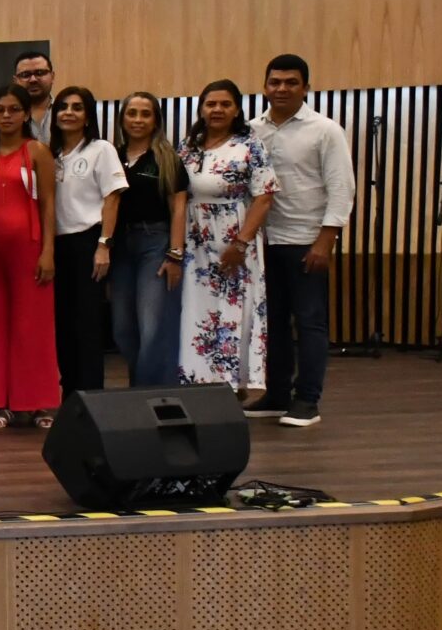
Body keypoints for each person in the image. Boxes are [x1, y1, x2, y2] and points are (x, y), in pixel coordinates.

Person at [247, 54, 354, 427]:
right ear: (264, 86)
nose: (281, 89)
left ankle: (307, 399)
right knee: (272, 322)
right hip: (263, 242)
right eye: (275, 82)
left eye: (291, 82)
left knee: (309, 321)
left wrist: (325, 240)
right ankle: (277, 394)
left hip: (306, 239)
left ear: (306, 87)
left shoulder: (325, 130)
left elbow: (342, 188)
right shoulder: (251, 130)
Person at [175, 79, 278, 393]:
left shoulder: (250, 145)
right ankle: (199, 380)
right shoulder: (187, 147)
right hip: (196, 239)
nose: (217, 109)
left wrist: (241, 242)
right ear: (201, 108)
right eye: (211, 104)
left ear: (236, 110)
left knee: (234, 309)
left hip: (235, 237)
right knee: (196, 308)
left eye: (225, 104)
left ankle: (234, 383)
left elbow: (264, 196)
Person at [0, 84, 60, 427]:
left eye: (13, 109)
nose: (6, 116)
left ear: (25, 114)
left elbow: (50, 205)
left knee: (32, 326)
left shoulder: (37, 151)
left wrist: (48, 251)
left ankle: (36, 402)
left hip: (28, 249)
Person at [50, 86, 128, 397]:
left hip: (89, 243)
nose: (68, 112)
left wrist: (104, 245)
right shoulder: (51, 155)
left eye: (77, 107)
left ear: (87, 116)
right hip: (57, 246)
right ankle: (70, 394)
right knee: (63, 325)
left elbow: (112, 198)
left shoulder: (100, 149)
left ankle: (92, 395)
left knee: (88, 324)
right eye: (63, 107)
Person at [109, 92, 185, 388]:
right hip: (120, 247)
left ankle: (151, 395)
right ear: (122, 119)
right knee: (122, 329)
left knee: (153, 326)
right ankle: (140, 388)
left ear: (155, 121)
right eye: (132, 113)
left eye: (145, 114)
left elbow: (179, 208)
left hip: (155, 243)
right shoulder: (111, 155)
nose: (138, 120)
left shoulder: (166, 158)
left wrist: (175, 254)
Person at [0, 51, 59, 148]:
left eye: (40, 73)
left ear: (52, 76)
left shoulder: (66, 114)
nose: (33, 79)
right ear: (15, 81)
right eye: (25, 75)